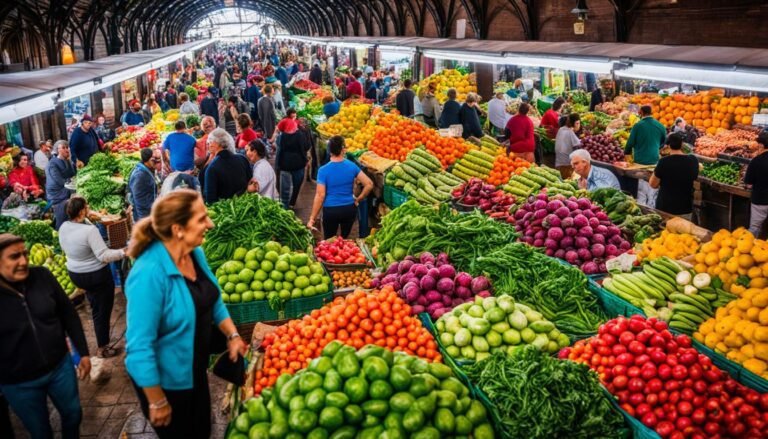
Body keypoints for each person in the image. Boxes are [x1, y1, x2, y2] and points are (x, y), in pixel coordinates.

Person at [125, 190, 247, 438]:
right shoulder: (148, 274)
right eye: (202, 219)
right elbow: (138, 348)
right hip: (167, 384)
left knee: (202, 430)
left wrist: (232, 334)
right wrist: (156, 401)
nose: (210, 224)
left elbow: (213, 299)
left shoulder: (194, 254)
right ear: (178, 228)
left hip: (195, 370)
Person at [0, 233, 91, 439]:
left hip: (60, 367)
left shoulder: (42, 276)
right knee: (40, 431)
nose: (23, 261)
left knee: (73, 414)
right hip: (19, 383)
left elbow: (68, 314)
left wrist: (83, 352)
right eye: (14, 257)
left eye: (25, 254)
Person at [59, 197, 126, 359]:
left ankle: (101, 340)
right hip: (95, 275)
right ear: (81, 211)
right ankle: (102, 347)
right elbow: (103, 256)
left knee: (96, 306)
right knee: (102, 311)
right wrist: (125, 251)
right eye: (86, 206)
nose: (88, 208)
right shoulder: (89, 231)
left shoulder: (64, 227)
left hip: (76, 274)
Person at [308, 136, 374, 239]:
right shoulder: (352, 166)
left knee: (329, 241)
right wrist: (359, 199)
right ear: (343, 149)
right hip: (349, 209)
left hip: (331, 210)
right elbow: (369, 184)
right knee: (343, 241)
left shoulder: (323, 170)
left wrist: (312, 218)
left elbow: (320, 195)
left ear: (329, 150)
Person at [649, 132, 699, 219]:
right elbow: (694, 177)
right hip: (685, 208)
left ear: (668, 146)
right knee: (683, 232)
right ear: (682, 144)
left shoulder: (663, 162)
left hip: (665, 209)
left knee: (665, 232)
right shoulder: (693, 160)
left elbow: (653, 184)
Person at [624, 105, 667, 206]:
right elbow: (663, 142)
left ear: (641, 112)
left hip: (640, 162)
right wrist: (656, 147)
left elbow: (629, 144)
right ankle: (652, 208)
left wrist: (627, 154)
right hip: (654, 162)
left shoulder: (638, 126)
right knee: (652, 190)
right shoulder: (660, 126)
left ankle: (642, 208)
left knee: (641, 192)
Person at [202, 129, 252, 204]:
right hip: (245, 207)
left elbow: (210, 200)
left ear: (215, 144)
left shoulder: (212, 168)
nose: (208, 145)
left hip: (225, 213)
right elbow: (250, 183)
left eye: (209, 142)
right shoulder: (242, 159)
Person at [275, 117, 310, 209]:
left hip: (285, 164)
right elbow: (306, 146)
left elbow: (279, 151)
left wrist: (277, 166)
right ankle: (292, 202)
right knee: (297, 185)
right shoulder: (300, 135)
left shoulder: (281, 137)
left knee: (285, 190)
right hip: (299, 164)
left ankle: (285, 207)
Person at [46, 141, 76, 229]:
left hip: (67, 191)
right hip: (57, 196)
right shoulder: (52, 164)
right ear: (57, 150)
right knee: (62, 221)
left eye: (67, 147)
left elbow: (73, 175)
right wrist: (73, 182)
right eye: (63, 148)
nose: (66, 150)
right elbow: (60, 181)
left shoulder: (67, 161)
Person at [744, 130, 768, 238]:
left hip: (760, 201)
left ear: (762, 145)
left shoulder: (756, 161)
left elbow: (749, 184)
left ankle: (750, 250)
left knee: (755, 228)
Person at [129, 148, 159, 222]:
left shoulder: (147, 169)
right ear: (147, 160)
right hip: (144, 214)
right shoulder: (140, 176)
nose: (155, 162)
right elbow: (138, 199)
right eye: (153, 160)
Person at [555, 113, 581, 179]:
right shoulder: (570, 133)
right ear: (575, 124)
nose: (579, 125)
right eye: (578, 123)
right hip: (566, 164)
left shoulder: (561, 129)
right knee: (566, 181)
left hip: (558, 162)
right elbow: (579, 146)